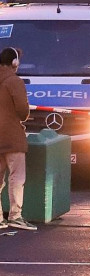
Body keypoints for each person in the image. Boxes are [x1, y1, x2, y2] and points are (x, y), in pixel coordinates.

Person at [0, 47, 35, 231]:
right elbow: (22, 111)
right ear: (15, 63)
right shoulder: (14, 81)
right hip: (12, 137)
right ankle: (15, 216)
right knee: (17, 177)